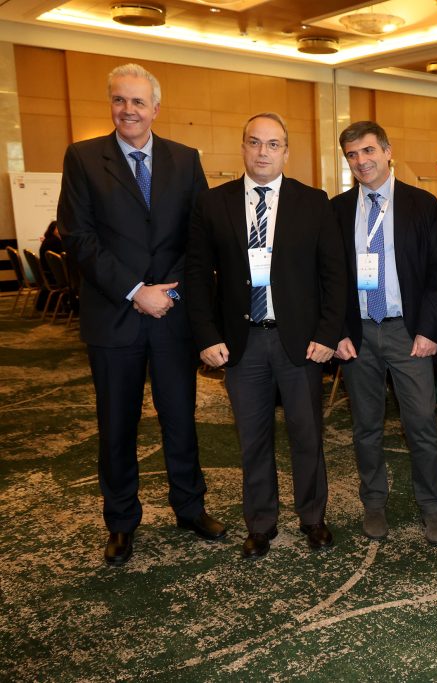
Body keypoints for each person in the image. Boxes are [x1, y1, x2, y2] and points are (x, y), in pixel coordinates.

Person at [57, 63, 224, 566]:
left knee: (180, 418)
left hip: (172, 313)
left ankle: (189, 508)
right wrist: (136, 291)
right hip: (115, 316)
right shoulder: (84, 157)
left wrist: (169, 292)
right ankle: (121, 521)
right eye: (119, 100)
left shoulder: (185, 159)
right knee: (117, 425)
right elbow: (78, 237)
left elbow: (198, 236)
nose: (127, 109)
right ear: (110, 104)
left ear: (155, 108)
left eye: (137, 101)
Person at [185, 112, 345, 559]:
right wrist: (206, 336)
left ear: (286, 152)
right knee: (252, 439)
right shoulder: (212, 204)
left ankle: (313, 517)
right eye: (254, 142)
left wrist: (327, 333)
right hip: (242, 343)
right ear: (243, 147)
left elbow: (334, 275)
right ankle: (260, 523)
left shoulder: (313, 202)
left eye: (273, 144)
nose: (263, 152)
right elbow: (196, 276)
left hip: (301, 343)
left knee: (307, 435)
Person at [331, 121, 437, 546]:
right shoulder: (338, 209)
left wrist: (429, 329)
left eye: (368, 151)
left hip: (408, 333)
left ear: (387, 150)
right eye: (352, 155)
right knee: (366, 427)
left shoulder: (422, 204)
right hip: (358, 334)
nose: (361, 161)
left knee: (422, 426)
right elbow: (330, 278)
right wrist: (337, 331)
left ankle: (431, 506)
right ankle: (374, 502)